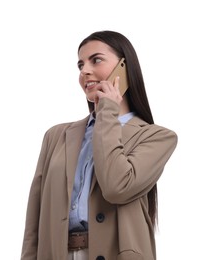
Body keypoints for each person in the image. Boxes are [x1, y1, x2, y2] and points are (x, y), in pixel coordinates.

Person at [20, 30, 178, 260]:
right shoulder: (55, 136)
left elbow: (116, 186)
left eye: (96, 60)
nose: (84, 71)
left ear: (124, 68)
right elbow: (34, 220)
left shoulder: (157, 137)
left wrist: (108, 111)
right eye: (80, 65)